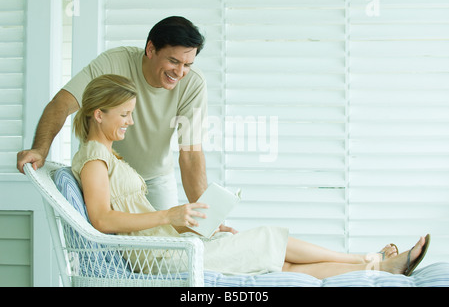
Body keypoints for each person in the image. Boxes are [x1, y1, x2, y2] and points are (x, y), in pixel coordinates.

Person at [69, 74, 430, 278]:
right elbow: (102, 219)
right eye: (124, 115)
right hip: (165, 259)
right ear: (98, 114)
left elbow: (134, 221)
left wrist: (190, 223)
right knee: (273, 238)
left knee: (285, 267)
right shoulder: (94, 160)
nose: (131, 122)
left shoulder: (106, 157)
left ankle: (381, 268)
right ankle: (373, 261)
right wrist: (169, 215)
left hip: (171, 246)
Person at [16, 16, 232, 228]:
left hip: (156, 178)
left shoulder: (192, 84)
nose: (180, 72)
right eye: (173, 61)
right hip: (109, 175)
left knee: (166, 243)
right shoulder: (114, 63)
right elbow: (62, 103)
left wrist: (208, 222)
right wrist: (40, 149)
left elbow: (191, 154)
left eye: (187, 64)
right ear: (150, 49)